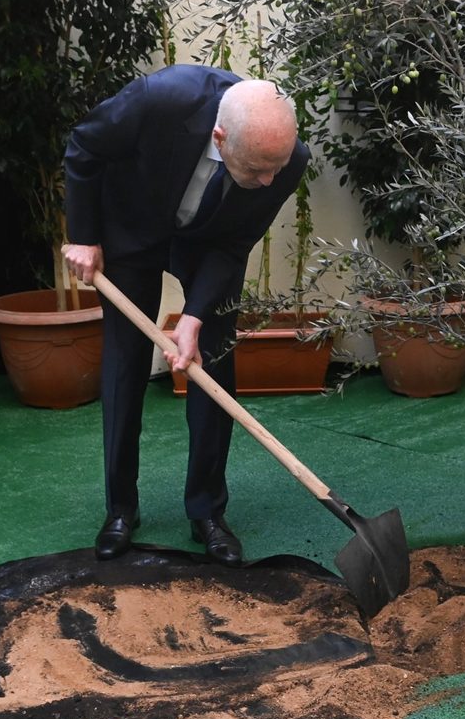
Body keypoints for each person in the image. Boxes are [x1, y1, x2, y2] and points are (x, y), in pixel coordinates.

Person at [62, 65, 310, 565]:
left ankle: (207, 513)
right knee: (125, 364)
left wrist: (194, 317)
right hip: (131, 228)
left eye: (275, 169)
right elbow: (85, 147)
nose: (268, 181)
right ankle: (120, 510)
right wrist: (84, 235)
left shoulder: (285, 160)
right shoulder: (161, 98)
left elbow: (236, 241)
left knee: (215, 358)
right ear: (220, 137)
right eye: (258, 167)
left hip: (209, 242)